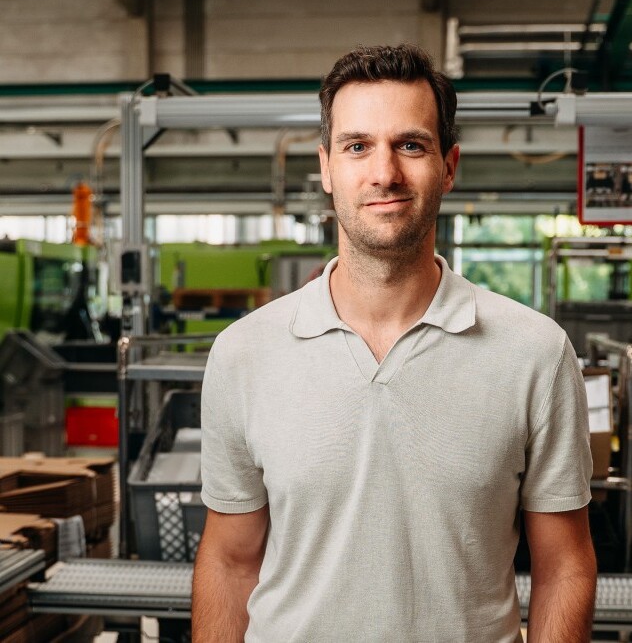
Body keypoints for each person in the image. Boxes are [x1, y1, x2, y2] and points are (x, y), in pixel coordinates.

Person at [192, 44, 596, 642]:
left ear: (449, 165)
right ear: (327, 166)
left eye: (411, 145)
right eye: (358, 146)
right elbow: (229, 562)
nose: (385, 172)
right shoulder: (244, 353)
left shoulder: (534, 353)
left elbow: (564, 563)